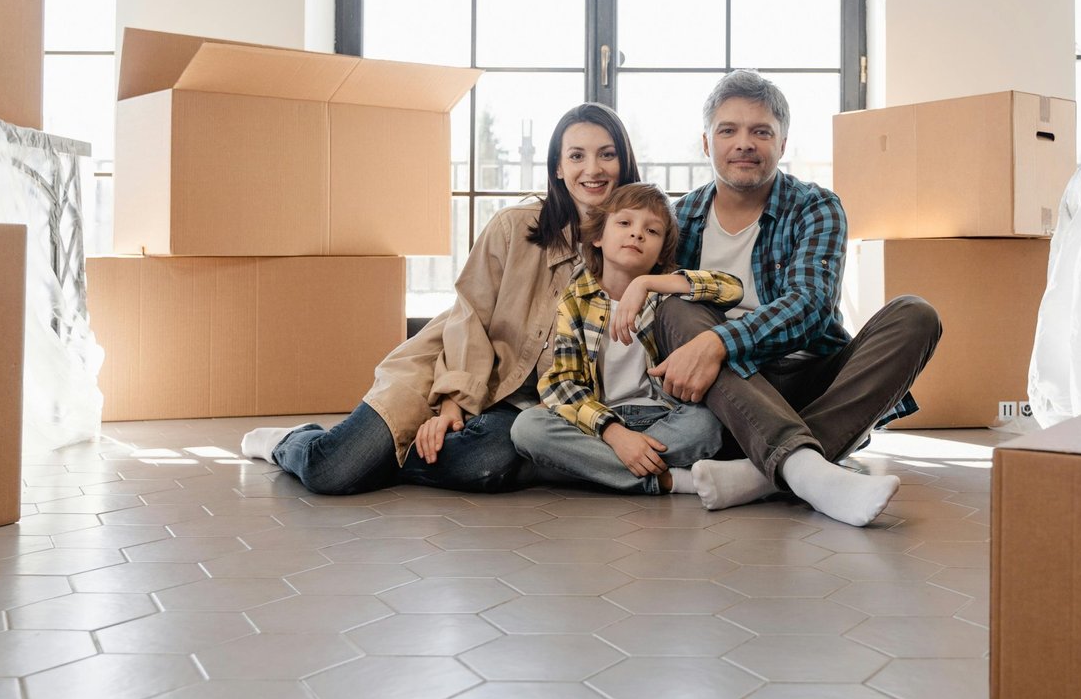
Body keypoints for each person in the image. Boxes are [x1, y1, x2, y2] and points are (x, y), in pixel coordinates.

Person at [239, 103, 642, 495]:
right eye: (577, 155)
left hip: (520, 408)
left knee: (484, 464)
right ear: (558, 167)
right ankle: (291, 441)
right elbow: (470, 317)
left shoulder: (639, 242)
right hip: (445, 368)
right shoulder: (513, 227)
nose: (593, 169)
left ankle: (386, 459)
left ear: (623, 162)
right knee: (331, 471)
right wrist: (452, 405)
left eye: (606, 155)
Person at [649, 70, 943, 526]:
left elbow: (810, 306)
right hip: (728, 392)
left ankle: (763, 472)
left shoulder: (815, 206)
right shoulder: (677, 218)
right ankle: (808, 469)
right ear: (707, 144)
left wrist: (719, 342)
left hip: (809, 376)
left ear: (782, 145)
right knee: (674, 305)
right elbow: (663, 323)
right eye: (728, 130)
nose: (744, 143)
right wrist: (709, 346)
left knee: (916, 315)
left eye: (761, 131)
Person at [511, 182, 742, 496]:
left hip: (664, 417)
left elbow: (732, 288)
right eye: (624, 223)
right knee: (528, 428)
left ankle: (591, 469)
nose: (637, 234)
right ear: (597, 237)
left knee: (706, 424)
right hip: (600, 421)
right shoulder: (575, 299)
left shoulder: (664, 295)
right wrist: (615, 433)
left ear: (662, 253)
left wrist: (647, 283)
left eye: (652, 231)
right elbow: (560, 381)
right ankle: (668, 480)